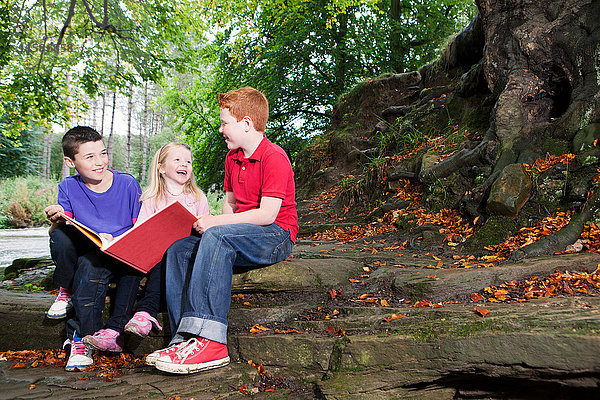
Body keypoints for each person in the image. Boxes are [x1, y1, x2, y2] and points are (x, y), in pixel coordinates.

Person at [148, 86, 298, 375]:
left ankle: (211, 341)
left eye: (225, 123)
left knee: (215, 235)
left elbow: (268, 215)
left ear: (246, 124)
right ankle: (185, 339)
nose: (221, 130)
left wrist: (215, 224)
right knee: (180, 249)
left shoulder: (273, 157)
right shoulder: (232, 158)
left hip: (276, 235)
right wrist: (215, 226)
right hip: (239, 232)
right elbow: (229, 204)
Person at [44, 126, 143, 371]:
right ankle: (68, 296)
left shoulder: (127, 184)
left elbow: (140, 227)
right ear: (70, 161)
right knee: (62, 237)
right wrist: (56, 217)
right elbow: (62, 228)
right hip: (88, 250)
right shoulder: (68, 186)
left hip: (120, 254)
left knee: (91, 265)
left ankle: (79, 338)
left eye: (102, 153)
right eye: (89, 157)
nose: (100, 162)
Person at [122, 142, 210, 339]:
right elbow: (141, 231)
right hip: (155, 254)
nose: (184, 164)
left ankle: (146, 311)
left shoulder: (197, 197)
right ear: (161, 168)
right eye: (177, 160)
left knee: (170, 256)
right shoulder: (152, 198)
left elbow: (207, 229)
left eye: (188, 161)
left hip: (185, 253)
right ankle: (133, 319)